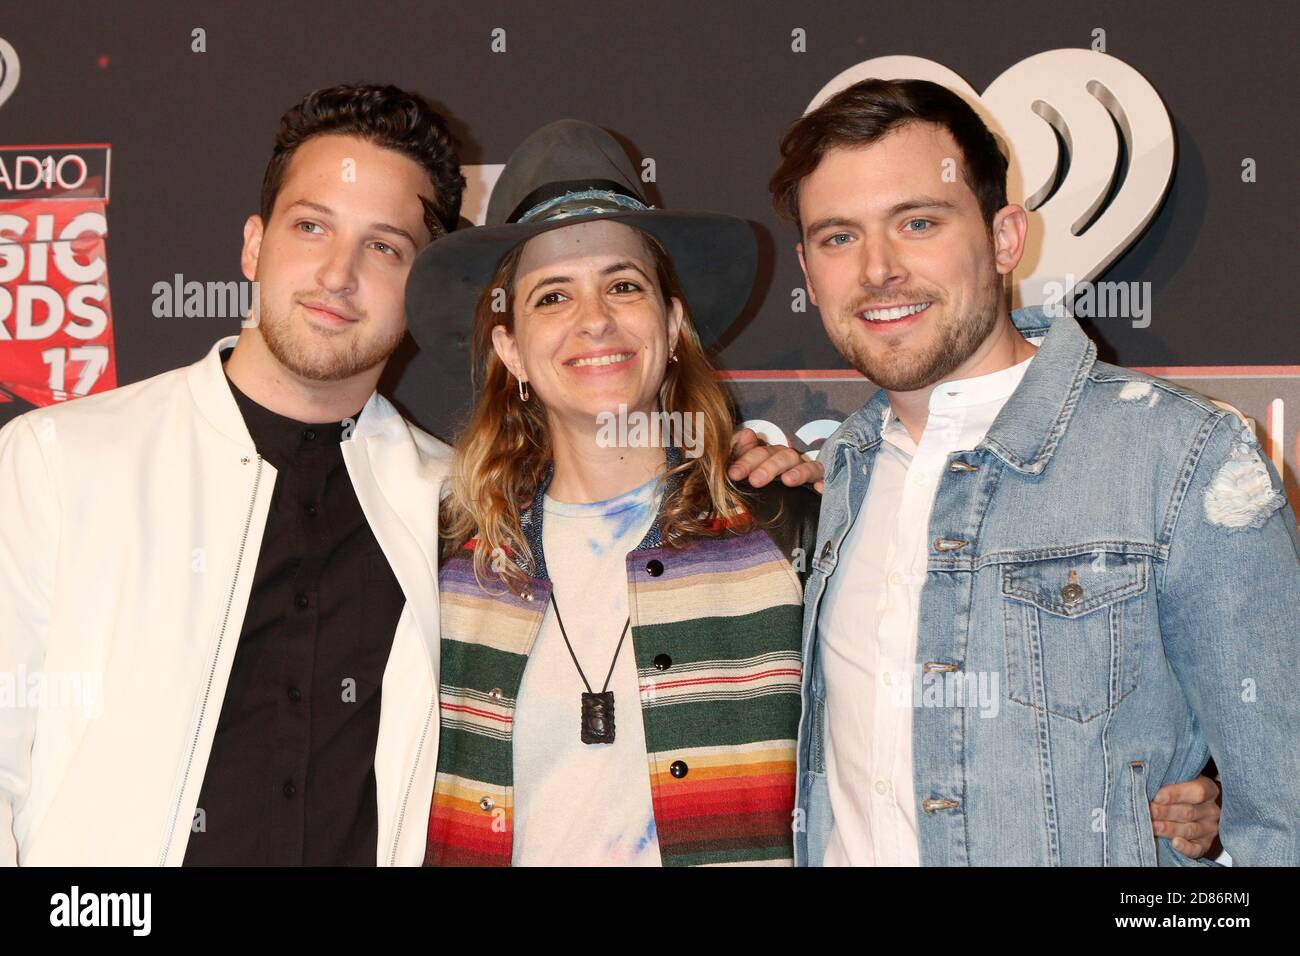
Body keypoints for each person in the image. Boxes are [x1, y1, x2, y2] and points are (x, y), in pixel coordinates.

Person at [761, 77, 1296, 865]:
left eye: (917, 222)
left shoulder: (1184, 458)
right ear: (809, 271)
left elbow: (1282, 817)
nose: (878, 269)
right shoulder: (829, 481)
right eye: (840, 237)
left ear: (1006, 238)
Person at [0, 83, 464, 865]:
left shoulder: (455, 503)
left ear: (421, 285)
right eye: (311, 227)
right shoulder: (58, 461)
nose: (337, 274)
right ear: (254, 245)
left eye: (383, 246)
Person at [406, 119, 821, 866]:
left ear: (670, 324)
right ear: (511, 348)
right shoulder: (445, 561)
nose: (594, 320)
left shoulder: (785, 527)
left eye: (623, 286)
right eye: (552, 297)